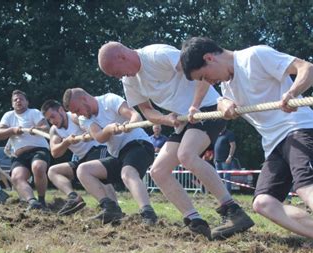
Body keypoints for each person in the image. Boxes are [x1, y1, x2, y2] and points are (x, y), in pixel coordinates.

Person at [180, 36, 313, 253]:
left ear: (209, 58)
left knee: (306, 187)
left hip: (299, 128)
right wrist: (222, 103)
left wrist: (292, 92)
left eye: (203, 76)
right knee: (263, 203)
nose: (207, 82)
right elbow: (223, 100)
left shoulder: (254, 56)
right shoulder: (227, 85)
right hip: (273, 143)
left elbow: (310, 69)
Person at [98, 41, 254, 240]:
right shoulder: (130, 82)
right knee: (158, 171)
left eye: (115, 72)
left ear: (121, 57)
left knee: (186, 155)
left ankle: (233, 211)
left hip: (207, 108)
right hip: (183, 119)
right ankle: (195, 221)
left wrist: (195, 106)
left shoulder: (157, 55)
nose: (118, 77)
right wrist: (166, 120)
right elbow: (147, 111)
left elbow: (201, 70)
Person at [63, 88, 158, 225]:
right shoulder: (84, 119)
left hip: (139, 145)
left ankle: (148, 214)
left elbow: (135, 115)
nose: (78, 115)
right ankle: (110, 208)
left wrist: (129, 125)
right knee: (83, 170)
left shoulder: (109, 100)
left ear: (84, 99)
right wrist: (108, 129)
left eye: (78, 110)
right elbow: (99, 137)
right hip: (118, 155)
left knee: (127, 173)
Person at [41, 99, 116, 216]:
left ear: (61, 110)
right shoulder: (54, 130)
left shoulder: (75, 118)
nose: (52, 121)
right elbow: (55, 152)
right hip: (82, 159)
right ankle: (74, 198)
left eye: (53, 116)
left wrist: (88, 134)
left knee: (101, 177)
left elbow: (94, 129)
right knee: (53, 171)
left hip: (98, 150)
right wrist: (67, 142)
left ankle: (113, 207)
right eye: (49, 119)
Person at [0, 90, 50, 211]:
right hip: (19, 155)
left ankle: (41, 200)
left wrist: (35, 128)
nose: (18, 101)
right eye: (15, 100)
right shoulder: (8, 116)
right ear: (12, 104)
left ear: (27, 102)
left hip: (38, 150)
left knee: (38, 167)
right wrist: (12, 130)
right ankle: (33, 202)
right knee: (16, 177)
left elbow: (46, 128)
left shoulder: (34, 112)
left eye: (21, 99)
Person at [214, 127, 237, 193]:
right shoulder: (217, 134)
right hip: (217, 160)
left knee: (227, 178)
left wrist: (230, 157)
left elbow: (233, 146)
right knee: (219, 179)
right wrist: (214, 158)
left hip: (226, 160)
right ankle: (220, 193)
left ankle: (227, 193)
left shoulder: (229, 134)